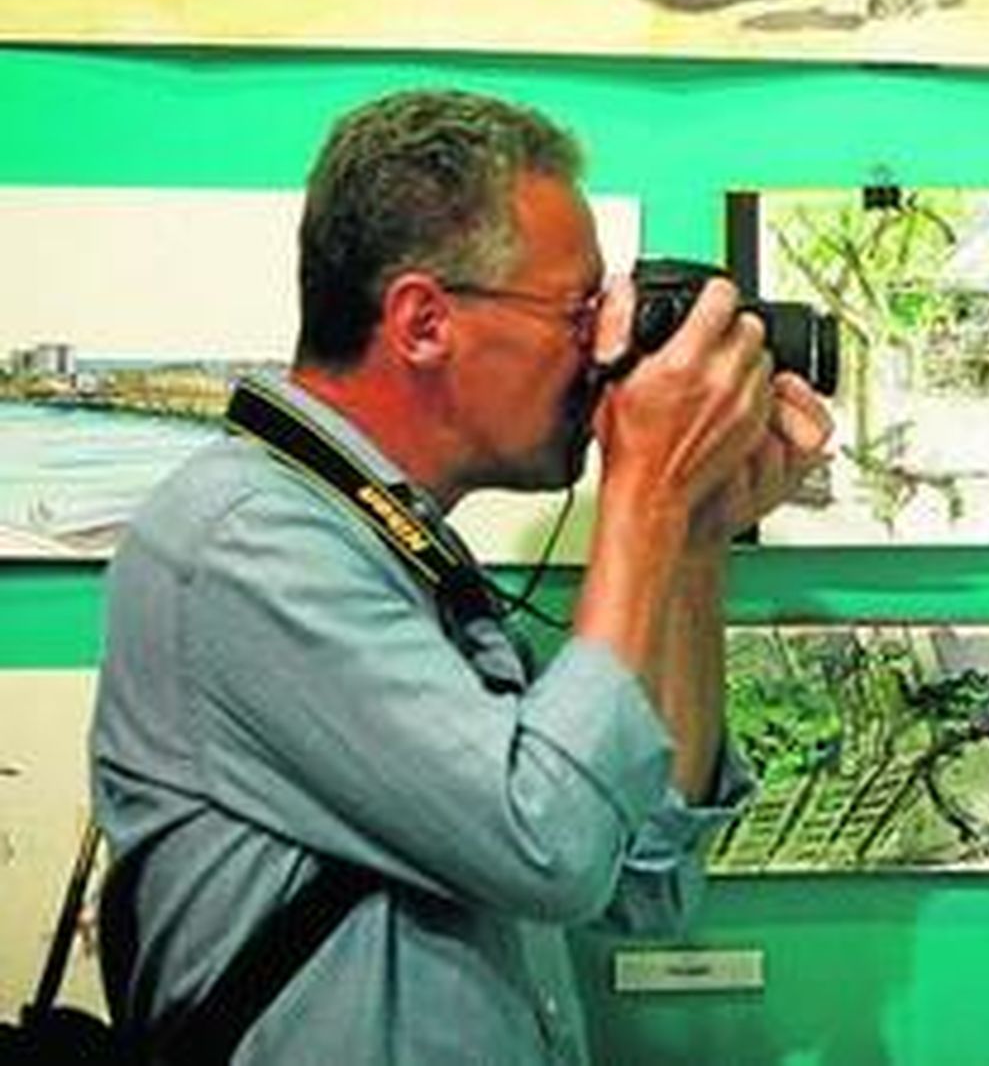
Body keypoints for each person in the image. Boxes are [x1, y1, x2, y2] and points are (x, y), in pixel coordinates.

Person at [89, 88, 832, 1063]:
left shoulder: (401, 553)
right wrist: (644, 491)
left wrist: (691, 539)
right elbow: (551, 844)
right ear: (424, 321)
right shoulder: (245, 544)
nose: (604, 353)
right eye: (579, 312)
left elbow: (642, 879)